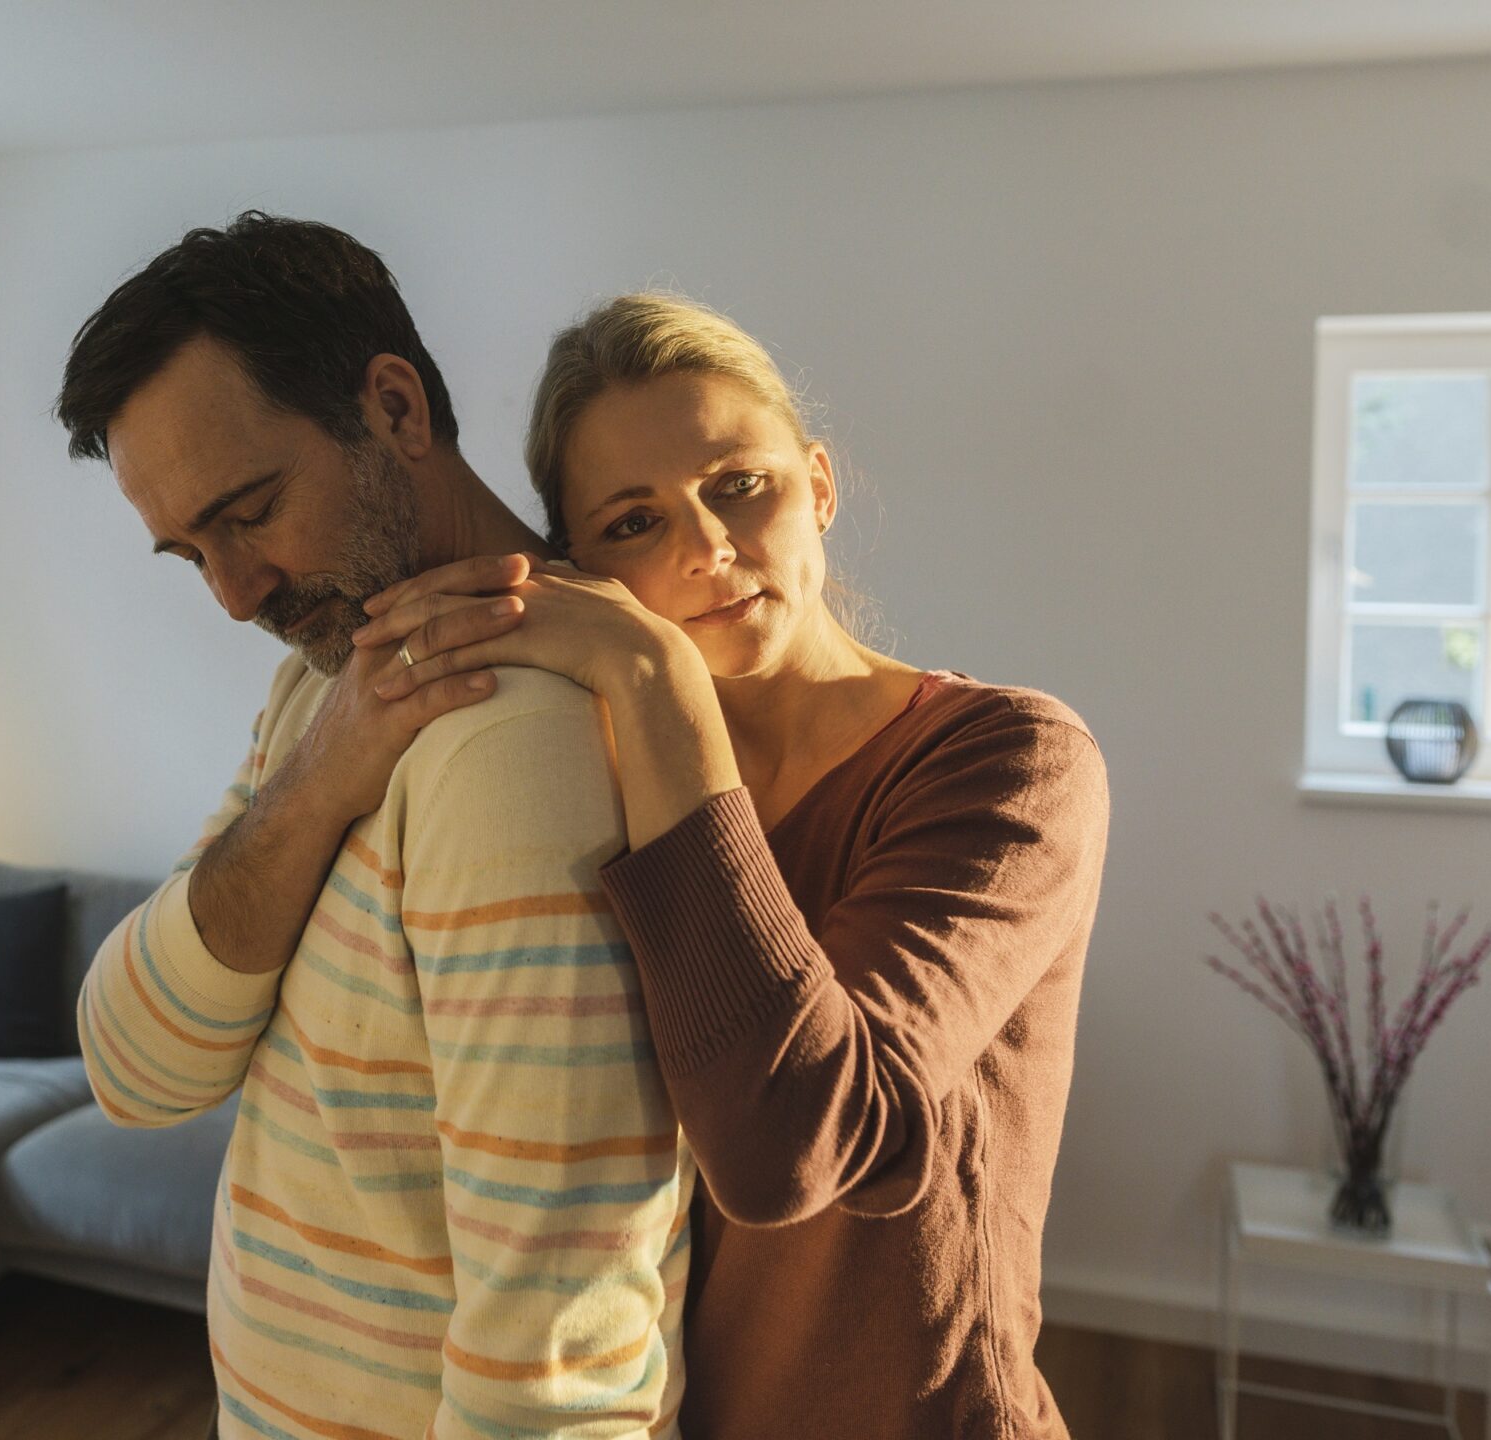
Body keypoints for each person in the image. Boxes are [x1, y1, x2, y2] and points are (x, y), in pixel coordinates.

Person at [353, 293, 1112, 1438]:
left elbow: (788, 1145)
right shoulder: (588, 789)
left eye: (737, 487)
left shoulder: (1008, 759)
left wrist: (651, 675)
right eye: (631, 523)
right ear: (584, 568)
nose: (705, 549)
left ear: (817, 485)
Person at [53, 217, 692, 1440]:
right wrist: (320, 776)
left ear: (395, 408)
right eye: (188, 551)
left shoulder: (515, 740)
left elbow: (557, 1344)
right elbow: (134, 1068)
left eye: (250, 511)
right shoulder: (337, 680)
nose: (234, 594)